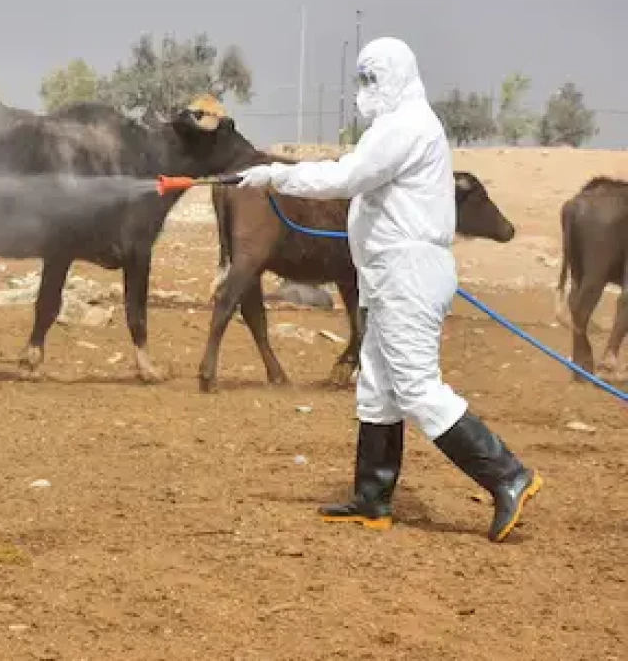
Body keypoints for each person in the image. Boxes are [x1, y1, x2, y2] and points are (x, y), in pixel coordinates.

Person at [231, 36, 542, 543]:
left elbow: (348, 176)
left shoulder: (407, 127)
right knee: (377, 387)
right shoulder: (397, 127)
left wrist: (273, 175)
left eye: (372, 79)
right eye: (363, 79)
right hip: (387, 274)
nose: (365, 90)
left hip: (408, 273)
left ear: (398, 76)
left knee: (417, 386)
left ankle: (507, 474)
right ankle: (372, 498)